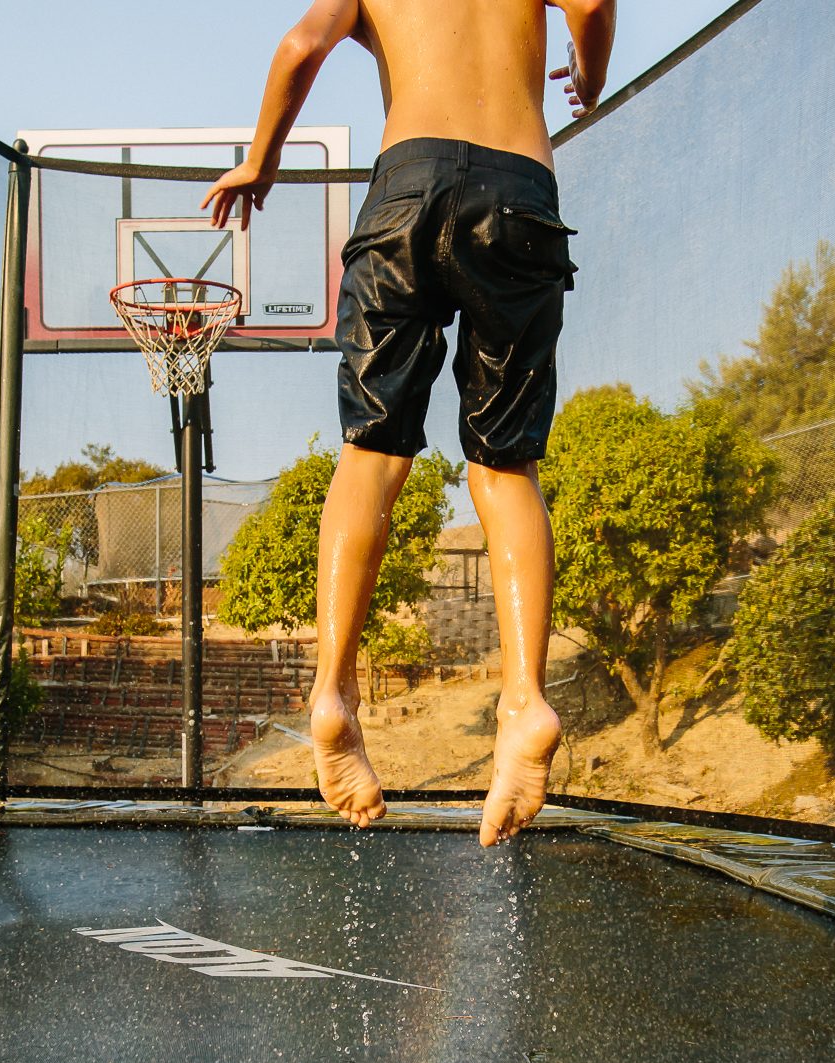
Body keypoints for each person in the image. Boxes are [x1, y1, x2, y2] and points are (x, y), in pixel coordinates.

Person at [204, 0, 615, 848]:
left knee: (371, 453)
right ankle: (526, 701)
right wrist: (589, 71)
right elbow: (596, 4)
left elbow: (297, 47)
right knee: (505, 468)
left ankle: (332, 693)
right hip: (518, 194)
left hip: (405, 189)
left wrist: (260, 160)